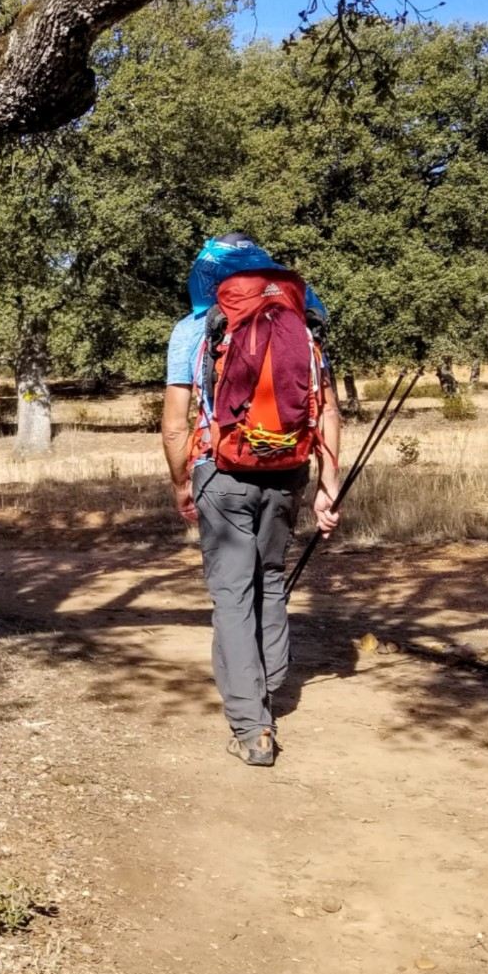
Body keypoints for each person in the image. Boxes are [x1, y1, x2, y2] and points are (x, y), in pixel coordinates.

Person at [160, 234, 342, 767]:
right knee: (270, 580)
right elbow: (326, 408)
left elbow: (176, 425)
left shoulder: (194, 328)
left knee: (232, 596)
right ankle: (269, 680)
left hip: (220, 473)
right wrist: (328, 482)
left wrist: (181, 484)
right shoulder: (302, 320)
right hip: (287, 470)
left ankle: (252, 726)